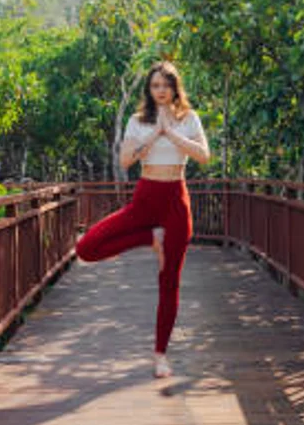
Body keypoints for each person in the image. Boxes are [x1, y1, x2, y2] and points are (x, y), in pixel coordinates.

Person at [74, 61, 210, 378]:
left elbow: (203, 156)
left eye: (165, 85)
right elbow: (125, 160)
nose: (160, 91)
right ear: (149, 90)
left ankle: (160, 355)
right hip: (145, 199)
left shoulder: (189, 119)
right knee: (87, 247)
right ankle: (151, 239)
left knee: (169, 281)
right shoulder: (137, 121)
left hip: (176, 201)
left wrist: (171, 134)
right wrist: (152, 137)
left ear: (175, 87)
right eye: (155, 86)